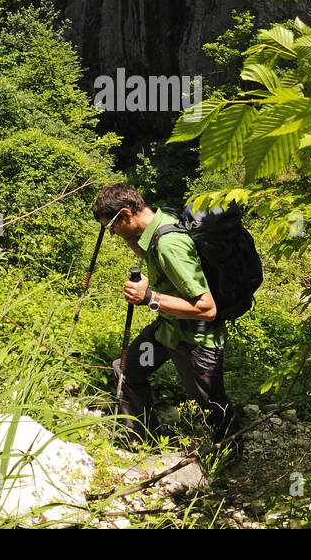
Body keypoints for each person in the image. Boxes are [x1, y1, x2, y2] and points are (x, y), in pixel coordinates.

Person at [93, 183, 237, 450]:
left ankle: (230, 455)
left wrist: (149, 298)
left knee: (211, 405)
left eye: (112, 227)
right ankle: (144, 441)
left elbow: (207, 308)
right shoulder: (160, 221)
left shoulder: (169, 244)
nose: (112, 234)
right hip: (168, 329)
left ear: (126, 215)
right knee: (127, 370)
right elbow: (150, 253)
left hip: (196, 338)